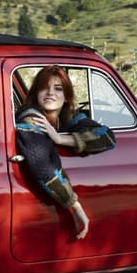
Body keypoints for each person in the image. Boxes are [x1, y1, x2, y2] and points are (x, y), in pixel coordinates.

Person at [15, 65, 116, 239]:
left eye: (58, 88)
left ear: (67, 96)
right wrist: (75, 206)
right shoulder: (31, 118)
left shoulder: (66, 117)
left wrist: (62, 139)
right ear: (35, 92)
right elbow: (43, 167)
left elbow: (107, 138)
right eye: (44, 87)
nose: (50, 93)